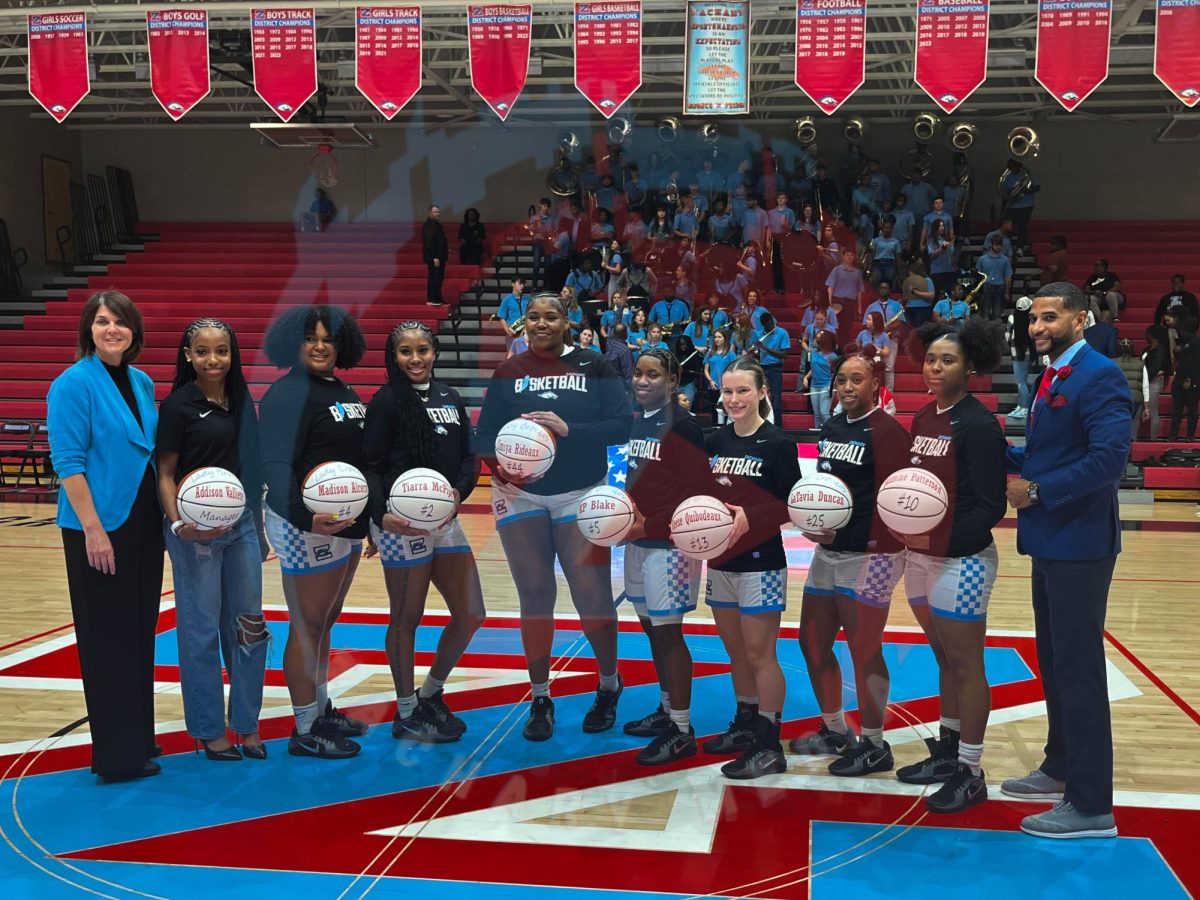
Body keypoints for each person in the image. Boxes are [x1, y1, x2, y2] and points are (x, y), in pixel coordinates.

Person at [1002, 282, 1131, 838]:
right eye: (1034, 320)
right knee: (1055, 662)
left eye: (1050, 318)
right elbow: (1046, 453)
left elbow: (1109, 462)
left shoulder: (1101, 374)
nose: (1038, 328)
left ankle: (1091, 804)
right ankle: (1060, 765)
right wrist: (986, 444)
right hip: (1051, 541)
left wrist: (1038, 491)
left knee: (1078, 672)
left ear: (1081, 319)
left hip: (1080, 543)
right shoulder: (1054, 375)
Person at [474, 294, 632, 741]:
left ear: (567, 321)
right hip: (520, 495)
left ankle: (608, 683)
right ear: (524, 324)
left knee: (591, 596)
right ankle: (540, 696)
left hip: (580, 492)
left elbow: (623, 424)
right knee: (536, 594)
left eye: (551, 317)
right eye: (534, 318)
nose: (541, 324)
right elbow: (484, 435)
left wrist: (569, 430)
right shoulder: (508, 371)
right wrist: (501, 468)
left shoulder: (594, 365)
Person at [48, 290, 164, 782]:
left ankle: (139, 740)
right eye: (102, 322)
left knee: (138, 630)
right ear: (88, 330)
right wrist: (94, 531)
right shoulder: (72, 384)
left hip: (142, 521)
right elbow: (69, 463)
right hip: (98, 526)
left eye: (120, 322)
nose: (111, 329)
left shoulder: (140, 381)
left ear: (134, 331)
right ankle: (116, 757)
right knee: (107, 637)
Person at [894, 318, 1008, 813]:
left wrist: (937, 538)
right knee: (943, 658)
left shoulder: (980, 425)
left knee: (966, 664)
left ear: (970, 366)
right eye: (931, 359)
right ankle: (948, 749)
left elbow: (991, 506)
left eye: (949, 360)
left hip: (962, 560)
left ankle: (971, 770)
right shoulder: (924, 418)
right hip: (922, 558)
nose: (936, 368)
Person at [362, 321, 484, 743]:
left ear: (434, 353)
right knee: (407, 617)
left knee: (471, 613)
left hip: (446, 521)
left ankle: (430, 693)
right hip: (401, 524)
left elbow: (470, 455)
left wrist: (458, 493)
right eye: (405, 352)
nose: (415, 359)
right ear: (393, 357)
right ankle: (406, 711)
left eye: (422, 350)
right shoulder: (386, 401)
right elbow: (372, 466)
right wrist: (380, 516)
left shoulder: (449, 396)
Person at [259, 305, 370, 759]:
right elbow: (274, 466)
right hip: (305, 527)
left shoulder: (339, 387)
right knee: (306, 626)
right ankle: (305, 728)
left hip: (340, 525)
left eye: (328, 338)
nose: (321, 345)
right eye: (311, 338)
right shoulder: (286, 394)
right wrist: (306, 520)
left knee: (324, 620)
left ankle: (321, 707)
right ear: (293, 343)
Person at [791, 354, 910, 773]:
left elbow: (895, 504)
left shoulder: (890, 432)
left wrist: (842, 531)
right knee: (811, 642)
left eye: (856, 379)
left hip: (874, 554)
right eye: (840, 379)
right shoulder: (835, 426)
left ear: (876, 382)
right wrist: (813, 522)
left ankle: (875, 744)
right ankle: (836, 729)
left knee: (864, 650)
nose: (846, 387)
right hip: (829, 551)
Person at [158, 319, 269, 763]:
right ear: (188, 355)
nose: (212, 360)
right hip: (195, 532)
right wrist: (179, 522)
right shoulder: (178, 406)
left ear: (232, 352)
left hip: (240, 525)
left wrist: (258, 532)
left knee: (249, 627)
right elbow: (165, 474)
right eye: (202, 351)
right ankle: (208, 729)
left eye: (221, 350)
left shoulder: (244, 400)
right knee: (201, 632)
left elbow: (253, 472)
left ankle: (246, 722)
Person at [701, 356, 801, 779]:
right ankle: (745, 723)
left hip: (762, 563)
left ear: (762, 392)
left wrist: (753, 516)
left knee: (761, 654)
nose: (734, 399)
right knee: (736, 651)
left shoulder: (778, 443)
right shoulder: (714, 441)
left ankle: (768, 743)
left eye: (743, 390)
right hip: (721, 561)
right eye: (728, 391)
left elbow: (793, 505)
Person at [620, 350, 715, 763]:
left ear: (673, 380)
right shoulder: (640, 422)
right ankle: (665, 708)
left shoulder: (685, 427)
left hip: (671, 547)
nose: (643, 381)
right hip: (637, 542)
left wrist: (650, 525)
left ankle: (681, 729)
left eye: (653, 374)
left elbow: (698, 496)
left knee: (669, 633)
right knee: (652, 630)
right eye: (639, 373)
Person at [752, 311, 790, 420]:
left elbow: (784, 355)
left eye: (771, 323)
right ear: (763, 325)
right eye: (768, 325)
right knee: (760, 398)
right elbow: (757, 352)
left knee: (776, 399)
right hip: (762, 368)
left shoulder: (782, 333)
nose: (771, 326)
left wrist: (765, 348)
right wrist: (753, 351)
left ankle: (778, 427)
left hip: (775, 368)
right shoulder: (759, 334)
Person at [1169, 317, 1200, 441]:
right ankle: (1173, 435)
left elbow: (1196, 363)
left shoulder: (1196, 343)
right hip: (1179, 378)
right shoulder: (1183, 341)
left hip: (1192, 380)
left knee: (1192, 408)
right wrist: (1177, 351)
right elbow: (1181, 359)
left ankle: (1190, 436)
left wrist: (1189, 379)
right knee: (1177, 408)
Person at [1116, 339, 1148, 447]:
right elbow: (1145, 385)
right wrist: (1146, 407)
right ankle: (1132, 445)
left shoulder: (1111, 362)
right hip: (1135, 398)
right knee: (1133, 423)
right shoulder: (1140, 364)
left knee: (1117, 424)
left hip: (1117, 398)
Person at [803, 330, 839, 429]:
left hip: (826, 385)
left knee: (824, 413)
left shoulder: (832, 356)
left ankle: (829, 433)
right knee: (817, 414)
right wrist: (806, 377)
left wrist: (832, 385)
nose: (814, 341)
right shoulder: (813, 353)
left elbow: (838, 373)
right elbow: (813, 369)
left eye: (817, 339)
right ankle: (817, 436)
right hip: (814, 386)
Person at [1007, 296, 1035, 419]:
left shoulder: (1012, 318)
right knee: (1023, 380)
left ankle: (1024, 407)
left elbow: (1007, 336)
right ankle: (1020, 405)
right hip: (1031, 353)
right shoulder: (1033, 319)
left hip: (1017, 352)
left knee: (1021, 382)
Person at [1143, 325, 1171, 440]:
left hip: (1153, 381)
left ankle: (1153, 438)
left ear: (1153, 336)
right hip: (1145, 381)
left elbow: (1155, 368)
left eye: (1147, 334)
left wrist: (1144, 380)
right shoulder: (1147, 350)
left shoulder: (1160, 351)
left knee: (1153, 411)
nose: (1145, 336)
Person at [704, 328, 737, 424]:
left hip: (726, 387)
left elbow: (734, 370)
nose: (717, 339)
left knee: (727, 410)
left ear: (725, 339)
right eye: (715, 337)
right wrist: (710, 380)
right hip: (713, 386)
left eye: (719, 337)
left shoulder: (730, 353)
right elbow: (706, 369)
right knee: (714, 410)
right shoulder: (711, 353)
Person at [976, 235, 1013, 321]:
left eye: (1000, 245)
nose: (998, 247)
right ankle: (985, 332)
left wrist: (1007, 292)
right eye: (996, 245)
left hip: (999, 287)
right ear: (991, 244)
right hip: (986, 286)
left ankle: (995, 332)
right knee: (985, 312)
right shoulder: (982, 259)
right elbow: (978, 276)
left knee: (997, 313)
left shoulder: (1005, 260)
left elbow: (1007, 277)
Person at [825, 248, 865, 326]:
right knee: (835, 326)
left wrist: (859, 309)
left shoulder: (857, 273)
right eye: (847, 255)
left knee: (847, 327)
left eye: (851, 255)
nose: (849, 257)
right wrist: (829, 305)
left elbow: (859, 292)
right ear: (843, 256)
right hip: (838, 302)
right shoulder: (836, 270)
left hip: (851, 303)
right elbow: (830, 288)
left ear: (854, 256)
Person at [857, 312, 895, 389]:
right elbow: (856, 347)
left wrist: (876, 348)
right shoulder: (862, 334)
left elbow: (887, 352)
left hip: (877, 364)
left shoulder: (884, 335)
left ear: (875, 321)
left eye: (869, 320)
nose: (866, 321)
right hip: (863, 363)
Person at [768, 192, 797, 292]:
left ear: (786, 200)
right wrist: (768, 240)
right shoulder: (771, 212)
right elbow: (769, 227)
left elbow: (793, 228)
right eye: (779, 198)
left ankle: (784, 287)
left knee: (784, 263)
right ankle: (776, 287)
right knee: (774, 263)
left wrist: (786, 225)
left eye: (783, 198)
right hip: (774, 238)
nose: (780, 200)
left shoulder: (790, 212)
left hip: (785, 238)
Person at [422, 204, 448, 307]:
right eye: (435, 212)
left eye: (438, 212)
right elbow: (429, 242)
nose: (438, 214)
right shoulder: (428, 226)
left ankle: (438, 297)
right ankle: (432, 297)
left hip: (440, 257)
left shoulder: (437, 226)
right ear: (430, 213)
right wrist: (435, 257)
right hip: (434, 257)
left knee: (439, 278)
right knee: (434, 277)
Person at [496, 277, 531, 352]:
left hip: (526, 333)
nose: (522, 286)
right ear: (513, 284)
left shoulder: (528, 299)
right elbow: (502, 317)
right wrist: (508, 332)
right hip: (512, 334)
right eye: (519, 283)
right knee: (512, 358)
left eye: (523, 284)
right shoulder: (507, 300)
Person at [902, 257, 937, 328]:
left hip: (923, 308)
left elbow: (931, 295)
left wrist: (916, 292)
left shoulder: (927, 280)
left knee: (920, 329)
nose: (909, 273)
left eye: (910, 271)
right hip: (910, 307)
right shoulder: (909, 281)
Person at [925, 218, 956, 299]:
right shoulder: (931, 241)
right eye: (939, 226)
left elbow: (952, 255)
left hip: (948, 270)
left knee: (949, 294)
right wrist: (942, 248)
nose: (942, 228)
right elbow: (932, 255)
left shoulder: (946, 240)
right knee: (937, 294)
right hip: (937, 271)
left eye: (943, 226)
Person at [866, 220, 901, 289]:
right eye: (884, 228)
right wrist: (868, 269)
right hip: (877, 264)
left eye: (888, 228)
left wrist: (899, 272)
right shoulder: (876, 240)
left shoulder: (895, 241)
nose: (886, 229)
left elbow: (898, 258)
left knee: (889, 279)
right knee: (876, 279)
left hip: (890, 264)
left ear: (891, 229)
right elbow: (871, 255)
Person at [527, 199, 553, 287]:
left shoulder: (551, 218)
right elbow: (530, 230)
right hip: (537, 242)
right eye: (544, 206)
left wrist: (544, 230)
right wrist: (534, 227)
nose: (545, 208)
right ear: (540, 205)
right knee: (536, 265)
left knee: (547, 266)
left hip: (547, 243)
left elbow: (552, 230)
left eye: (547, 207)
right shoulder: (534, 217)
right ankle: (534, 286)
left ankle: (545, 286)